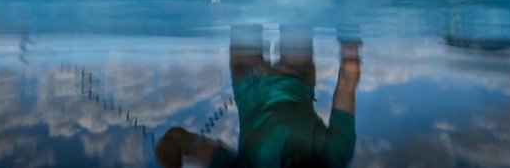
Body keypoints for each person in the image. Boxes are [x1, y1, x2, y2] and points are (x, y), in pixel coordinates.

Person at [154, 25, 361, 167]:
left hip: (250, 79)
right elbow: (348, 78)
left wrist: (168, 154)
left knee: (247, 0)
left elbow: (177, 138)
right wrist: (350, 41)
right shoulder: (336, 155)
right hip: (295, 74)